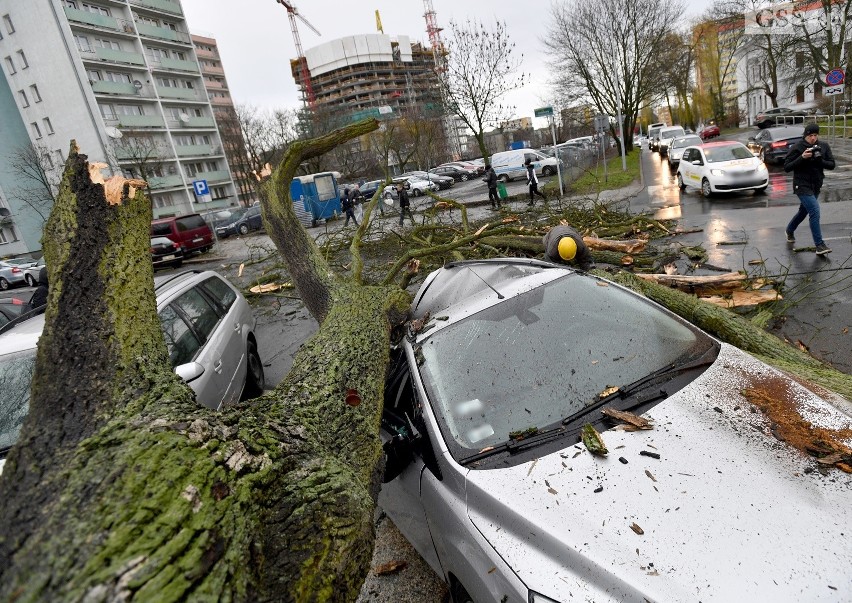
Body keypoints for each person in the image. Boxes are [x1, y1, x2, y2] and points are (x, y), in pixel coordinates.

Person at [783, 122, 835, 255]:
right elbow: (787, 167)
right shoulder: (797, 147)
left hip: (816, 184)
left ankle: (789, 230)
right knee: (814, 210)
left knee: (803, 212)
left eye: (815, 135)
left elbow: (832, 164)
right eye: (810, 135)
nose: (813, 138)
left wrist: (820, 161)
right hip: (801, 185)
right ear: (805, 136)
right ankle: (819, 245)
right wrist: (802, 157)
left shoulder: (823, 146)